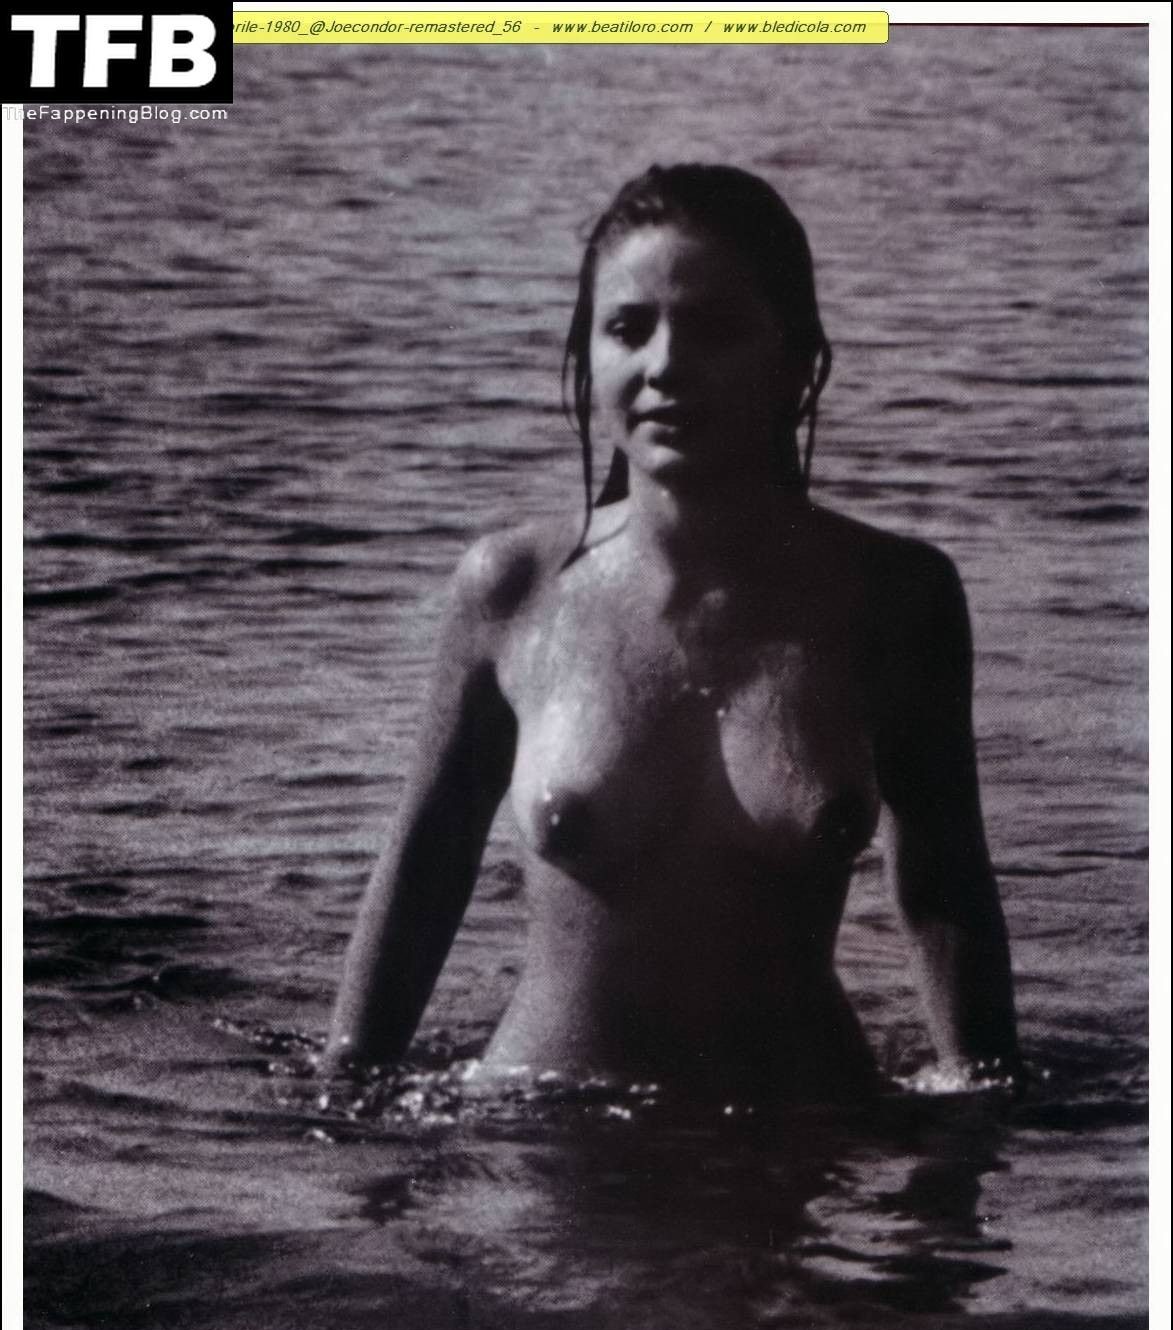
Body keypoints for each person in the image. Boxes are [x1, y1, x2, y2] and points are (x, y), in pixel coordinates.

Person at [322, 163, 1018, 1096]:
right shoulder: (512, 591)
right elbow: (424, 870)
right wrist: (344, 1094)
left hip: (807, 1138)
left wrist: (981, 1125)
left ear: (796, 359)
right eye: (628, 328)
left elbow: (943, 892)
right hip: (543, 1134)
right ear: (586, 358)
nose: (665, 366)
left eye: (715, 328)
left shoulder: (896, 599)